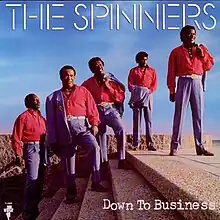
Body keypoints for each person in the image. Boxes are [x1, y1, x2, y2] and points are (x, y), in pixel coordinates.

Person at [45, 65, 107, 204]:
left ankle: (96, 181)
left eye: (72, 75)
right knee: (69, 162)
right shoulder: (52, 98)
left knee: (95, 148)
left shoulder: (83, 91)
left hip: (82, 128)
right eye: (66, 75)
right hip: (64, 131)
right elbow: (50, 122)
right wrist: (53, 140)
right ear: (61, 77)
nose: (69, 78)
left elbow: (92, 110)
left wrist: (95, 124)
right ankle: (71, 193)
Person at [167, 25, 214, 156]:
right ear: (182, 37)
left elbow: (209, 65)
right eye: (188, 34)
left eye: (194, 34)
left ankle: (200, 147)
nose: (192, 36)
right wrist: (172, 90)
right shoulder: (175, 52)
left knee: (198, 116)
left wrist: (203, 56)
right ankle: (175, 147)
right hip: (183, 82)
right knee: (179, 115)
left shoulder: (201, 49)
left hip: (197, 82)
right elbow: (171, 72)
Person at [82, 57, 131, 172]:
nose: (98, 67)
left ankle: (122, 159)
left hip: (110, 108)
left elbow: (120, 97)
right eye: (95, 66)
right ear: (91, 69)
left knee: (121, 129)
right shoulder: (87, 84)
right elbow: (82, 97)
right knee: (100, 135)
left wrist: (108, 86)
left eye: (100, 65)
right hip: (97, 111)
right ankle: (103, 162)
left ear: (103, 66)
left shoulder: (112, 80)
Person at [12, 94, 46, 220]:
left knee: (40, 178)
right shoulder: (23, 117)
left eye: (38, 99)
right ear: (28, 102)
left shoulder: (41, 118)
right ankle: (28, 211)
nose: (38, 101)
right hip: (31, 148)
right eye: (35, 100)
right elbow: (16, 137)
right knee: (32, 179)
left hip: (42, 147)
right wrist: (18, 155)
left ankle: (36, 206)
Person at [128, 51, 158, 151]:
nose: (144, 61)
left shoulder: (152, 71)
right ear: (138, 60)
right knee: (136, 121)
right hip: (137, 96)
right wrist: (137, 91)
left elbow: (154, 84)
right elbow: (130, 84)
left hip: (148, 95)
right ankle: (136, 143)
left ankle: (150, 143)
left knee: (148, 120)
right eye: (142, 59)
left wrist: (148, 91)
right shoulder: (133, 71)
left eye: (146, 59)